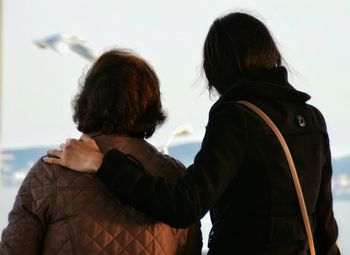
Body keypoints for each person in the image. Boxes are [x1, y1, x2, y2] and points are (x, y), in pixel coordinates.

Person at [44, 12, 340, 255]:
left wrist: (101, 163)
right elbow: (325, 226)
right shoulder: (312, 118)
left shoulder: (236, 116)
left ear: (218, 66)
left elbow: (185, 205)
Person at [0, 49, 202, 255]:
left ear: (87, 101)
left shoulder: (51, 172)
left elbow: (15, 248)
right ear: (151, 106)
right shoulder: (175, 179)